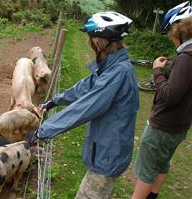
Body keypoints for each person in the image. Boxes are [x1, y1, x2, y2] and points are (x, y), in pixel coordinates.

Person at [29, 11, 139, 199]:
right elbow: (85, 87)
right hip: (107, 149)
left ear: (98, 42)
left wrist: (43, 131)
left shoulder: (117, 73)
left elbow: (87, 105)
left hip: (108, 154)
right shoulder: (112, 66)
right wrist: (55, 101)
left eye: (91, 38)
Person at [132, 2, 192, 199]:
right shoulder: (185, 58)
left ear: (181, 29)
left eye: (171, 33)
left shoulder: (186, 58)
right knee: (162, 163)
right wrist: (169, 68)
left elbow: (171, 95)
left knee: (146, 170)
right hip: (179, 125)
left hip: (163, 126)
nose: (171, 39)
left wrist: (157, 71)